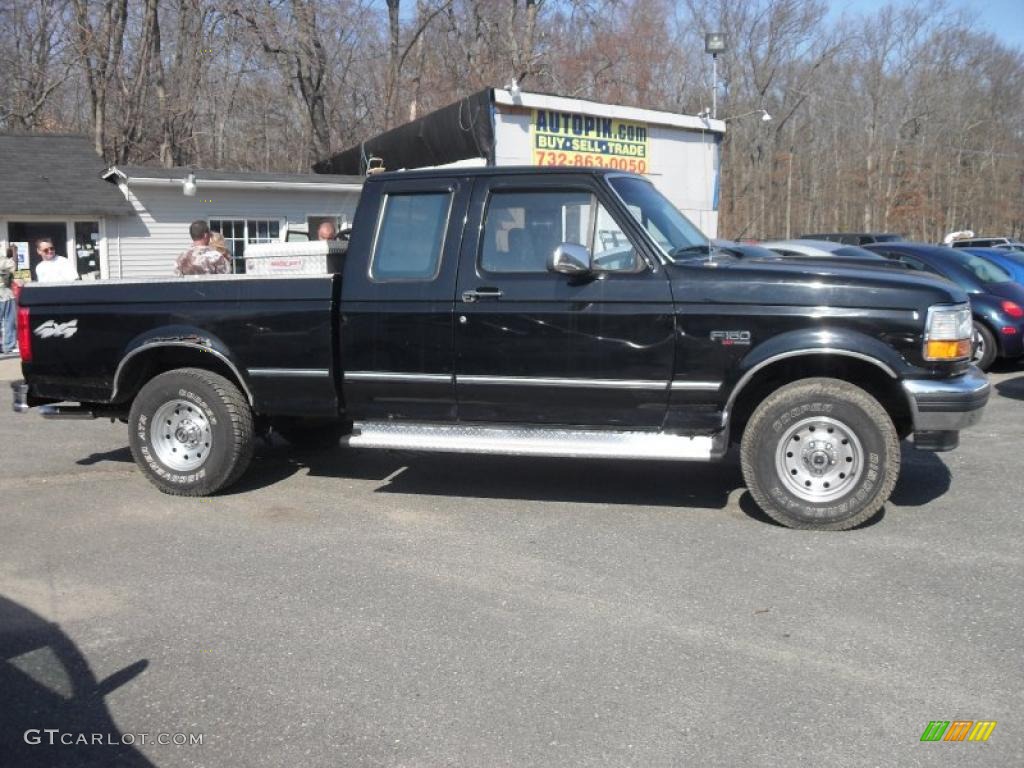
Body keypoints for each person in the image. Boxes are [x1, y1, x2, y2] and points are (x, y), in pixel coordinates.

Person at [1, 245, 18, 357]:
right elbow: (11, 273)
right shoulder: (6, 262)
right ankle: (9, 346)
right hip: (6, 294)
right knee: (9, 320)